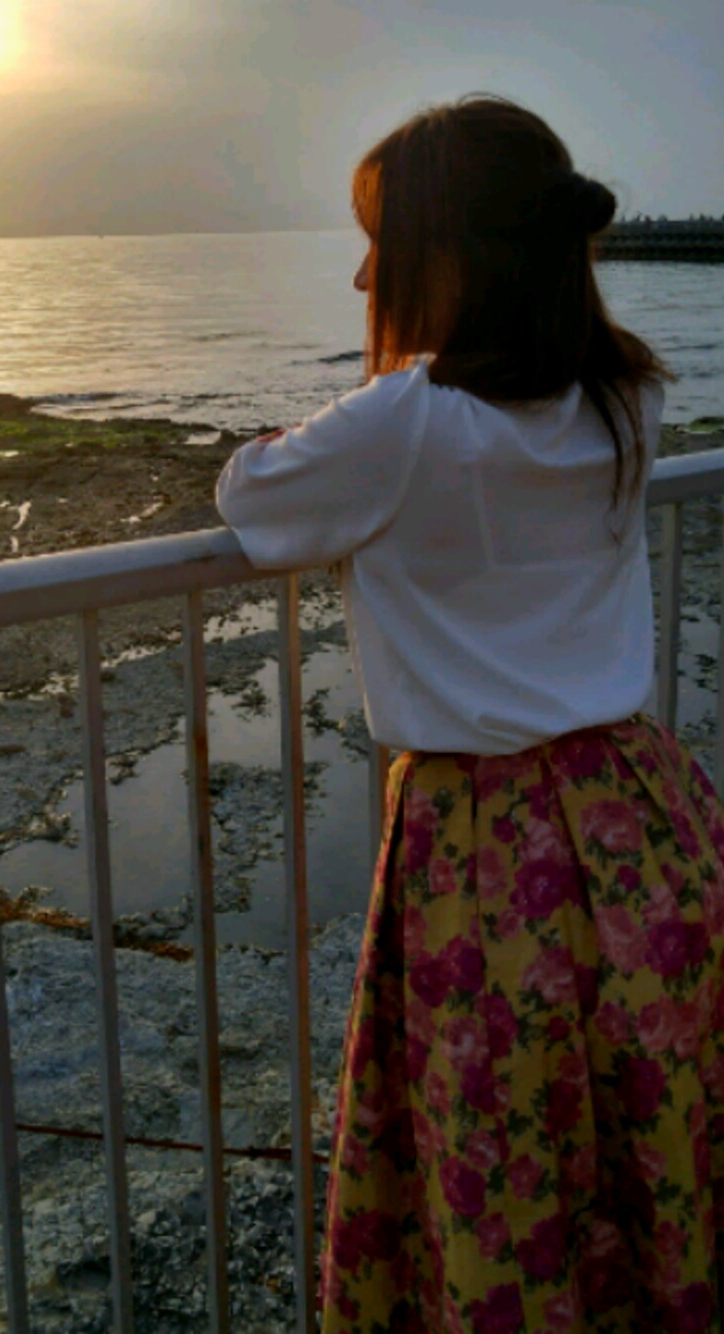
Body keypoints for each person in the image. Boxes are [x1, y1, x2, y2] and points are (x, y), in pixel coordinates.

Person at [215, 94, 724, 1332]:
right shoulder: (628, 396)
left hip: (489, 853)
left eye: (379, 245)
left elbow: (254, 495)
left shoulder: (405, 421)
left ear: (448, 256)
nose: (361, 277)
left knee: (505, 1172)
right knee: (654, 1142)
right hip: (647, 821)